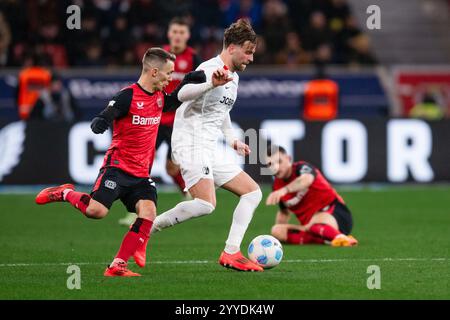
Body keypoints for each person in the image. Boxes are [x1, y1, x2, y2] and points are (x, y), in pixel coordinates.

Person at [35, 48, 205, 277]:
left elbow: (172, 102)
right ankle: (64, 193)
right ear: (154, 72)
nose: (170, 78)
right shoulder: (128, 95)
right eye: (168, 74)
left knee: (148, 211)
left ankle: (117, 265)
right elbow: (109, 112)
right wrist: (101, 121)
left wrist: (186, 81)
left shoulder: (158, 97)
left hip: (141, 175)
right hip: (117, 168)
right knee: (96, 211)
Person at [151, 19, 264, 272]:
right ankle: (145, 228)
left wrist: (231, 138)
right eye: (248, 51)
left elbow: (220, 109)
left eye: (253, 53)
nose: (251, 58)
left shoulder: (232, 76)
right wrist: (210, 83)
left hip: (209, 146)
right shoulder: (208, 69)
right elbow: (180, 94)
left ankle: (231, 252)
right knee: (205, 204)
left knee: (252, 192)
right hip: (189, 143)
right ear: (232, 47)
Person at [118, 17, 201, 227]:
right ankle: (136, 210)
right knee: (141, 165)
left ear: (188, 36)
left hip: (178, 123)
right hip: (152, 119)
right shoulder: (158, 56)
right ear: (169, 34)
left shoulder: (194, 58)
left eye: (182, 32)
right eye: (175, 32)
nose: (178, 36)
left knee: (172, 167)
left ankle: (188, 197)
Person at [265, 145, 358, 246]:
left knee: (313, 224)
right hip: (310, 225)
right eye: (270, 164)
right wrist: (278, 235)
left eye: (279, 161)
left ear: (289, 158)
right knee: (276, 230)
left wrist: (285, 190)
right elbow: (284, 212)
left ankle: (341, 238)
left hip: (334, 212)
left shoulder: (302, 168)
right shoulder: (277, 186)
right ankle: (326, 239)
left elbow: (307, 179)